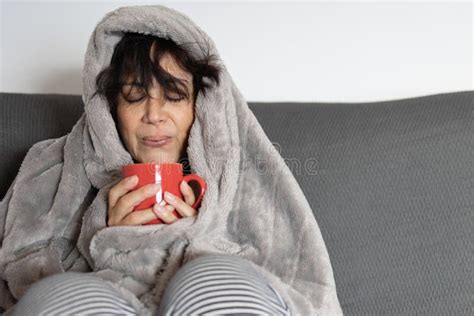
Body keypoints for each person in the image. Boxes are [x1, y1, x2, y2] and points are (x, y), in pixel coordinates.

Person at [1, 5, 343, 316]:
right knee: (60, 295)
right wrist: (110, 236)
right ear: (110, 111)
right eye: (135, 96)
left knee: (211, 278)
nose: (154, 115)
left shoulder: (243, 178)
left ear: (200, 105)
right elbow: (22, 279)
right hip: (104, 299)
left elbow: (290, 276)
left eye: (174, 95)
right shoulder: (53, 171)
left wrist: (197, 235)